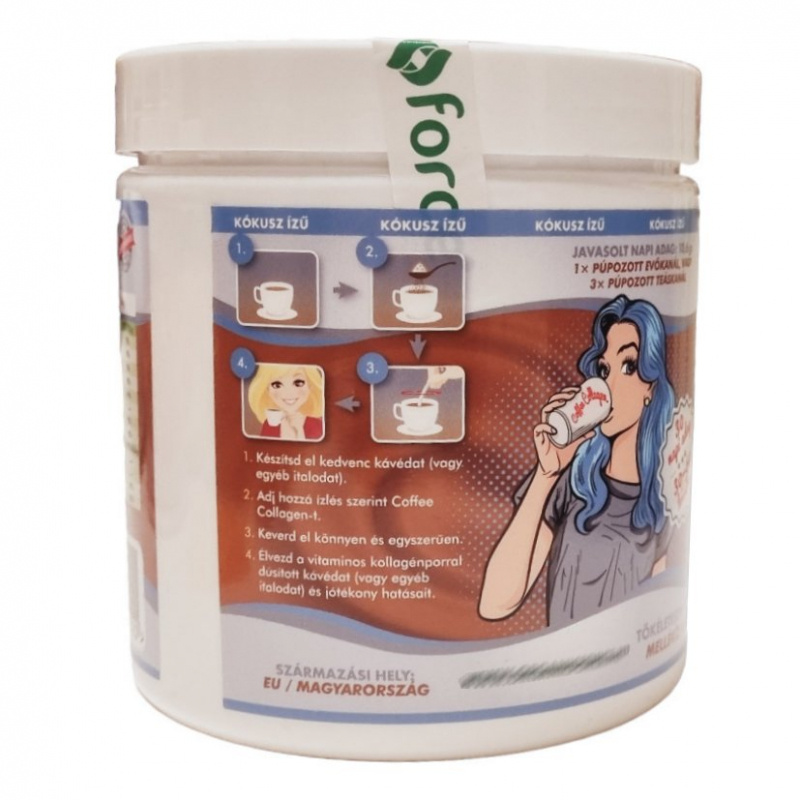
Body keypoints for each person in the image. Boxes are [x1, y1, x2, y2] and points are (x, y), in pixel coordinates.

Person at [479, 295, 675, 628]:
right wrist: (546, 474)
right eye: (604, 370)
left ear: (651, 389)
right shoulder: (574, 485)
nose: (608, 386)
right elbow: (495, 603)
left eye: (628, 366)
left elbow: (655, 616)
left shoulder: (661, 504)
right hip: (559, 655)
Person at [247, 363, 324, 441]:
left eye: (298, 383)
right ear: (267, 389)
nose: (288, 392)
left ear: (310, 385)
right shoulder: (269, 425)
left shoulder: (317, 425)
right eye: (277, 385)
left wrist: (299, 431)